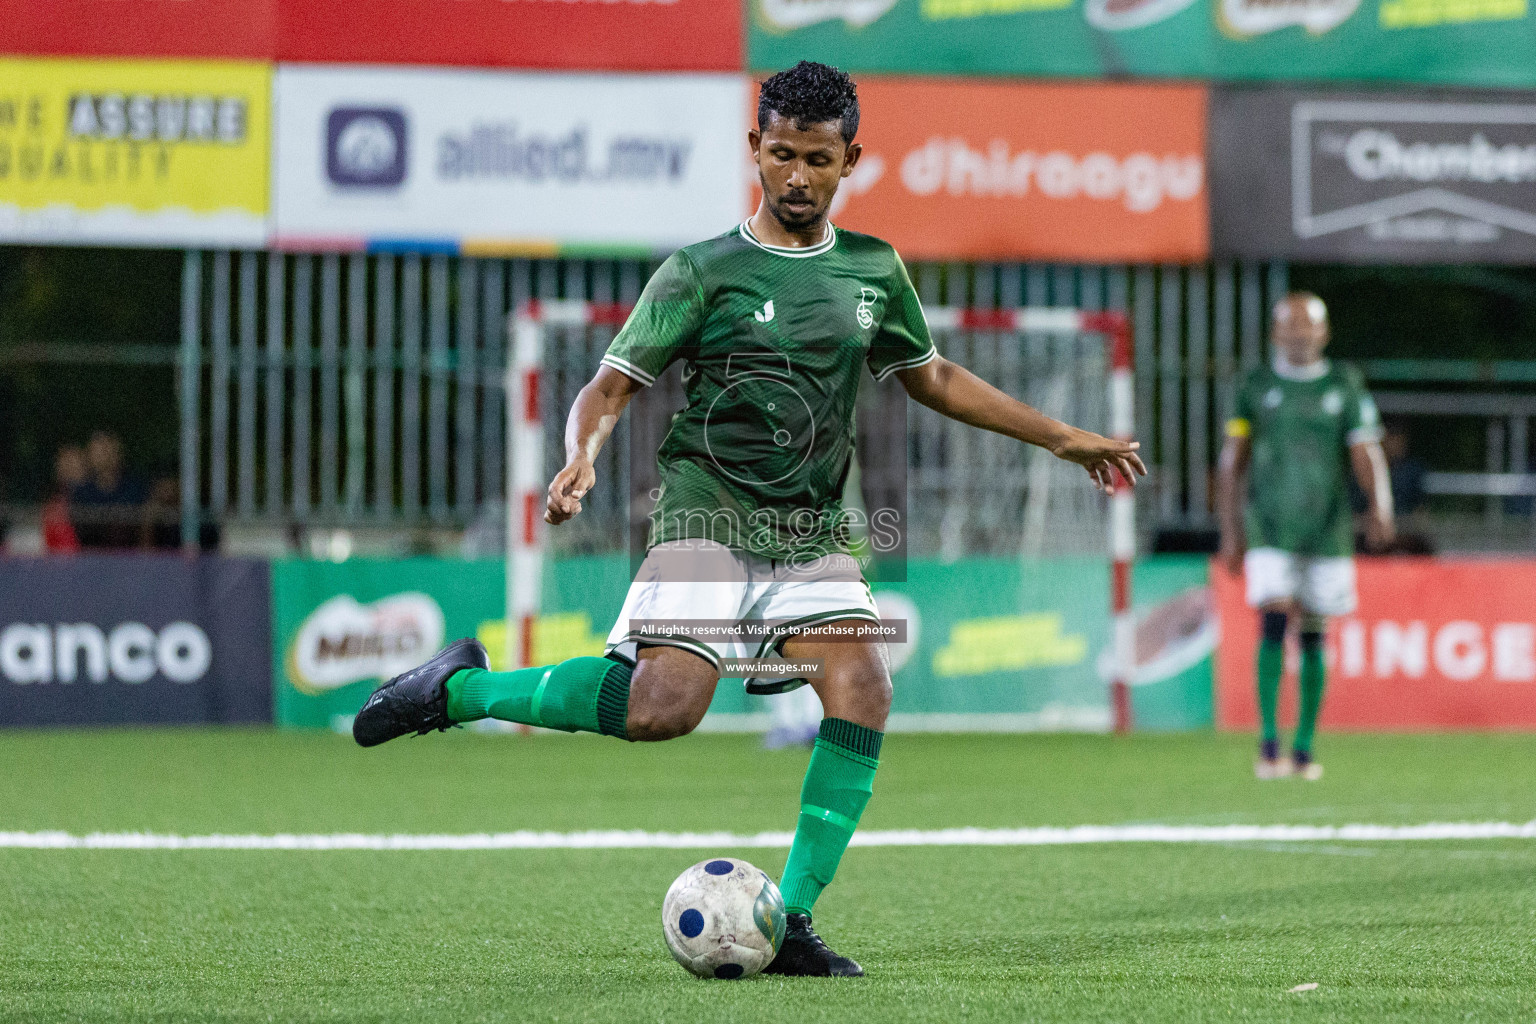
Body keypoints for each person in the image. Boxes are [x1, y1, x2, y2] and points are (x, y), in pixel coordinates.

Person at [353, 61, 1145, 976]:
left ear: (852, 158)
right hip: (707, 512)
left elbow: (932, 376)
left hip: (810, 531)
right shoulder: (702, 271)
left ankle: (792, 922)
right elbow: (611, 384)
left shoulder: (873, 270)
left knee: (864, 687)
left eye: (817, 158)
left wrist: (1058, 438)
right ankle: (455, 692)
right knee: (663, 709)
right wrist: (582, 453)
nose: (797, 177)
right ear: (753, 151)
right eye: (780, 155)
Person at [1218, 293, 1393, 782]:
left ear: (1324, 333)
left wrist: (1381, 504)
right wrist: (1231, 530)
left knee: (1315, 627)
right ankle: (1268, 740)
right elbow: (1233, 459)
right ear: (1275, 334)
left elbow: (1365, 449)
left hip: (1327, 528)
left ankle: (1304, 746)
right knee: (1274, 615)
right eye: (1289, 326)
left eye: (1307, 326)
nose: (1298, 334)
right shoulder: (1256, 385)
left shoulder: (1344, 384)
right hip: (1269, 524)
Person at [71, 431, 147, 549]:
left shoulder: (136, 488)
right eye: (97, 451)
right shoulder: (81, 493)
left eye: (106, 450)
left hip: (130, 559)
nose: (103, 456)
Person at [42, 444, 87, 554]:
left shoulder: (94, 499)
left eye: (73, 462)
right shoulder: (53, 505)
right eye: (65, 462)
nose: (69, 468)